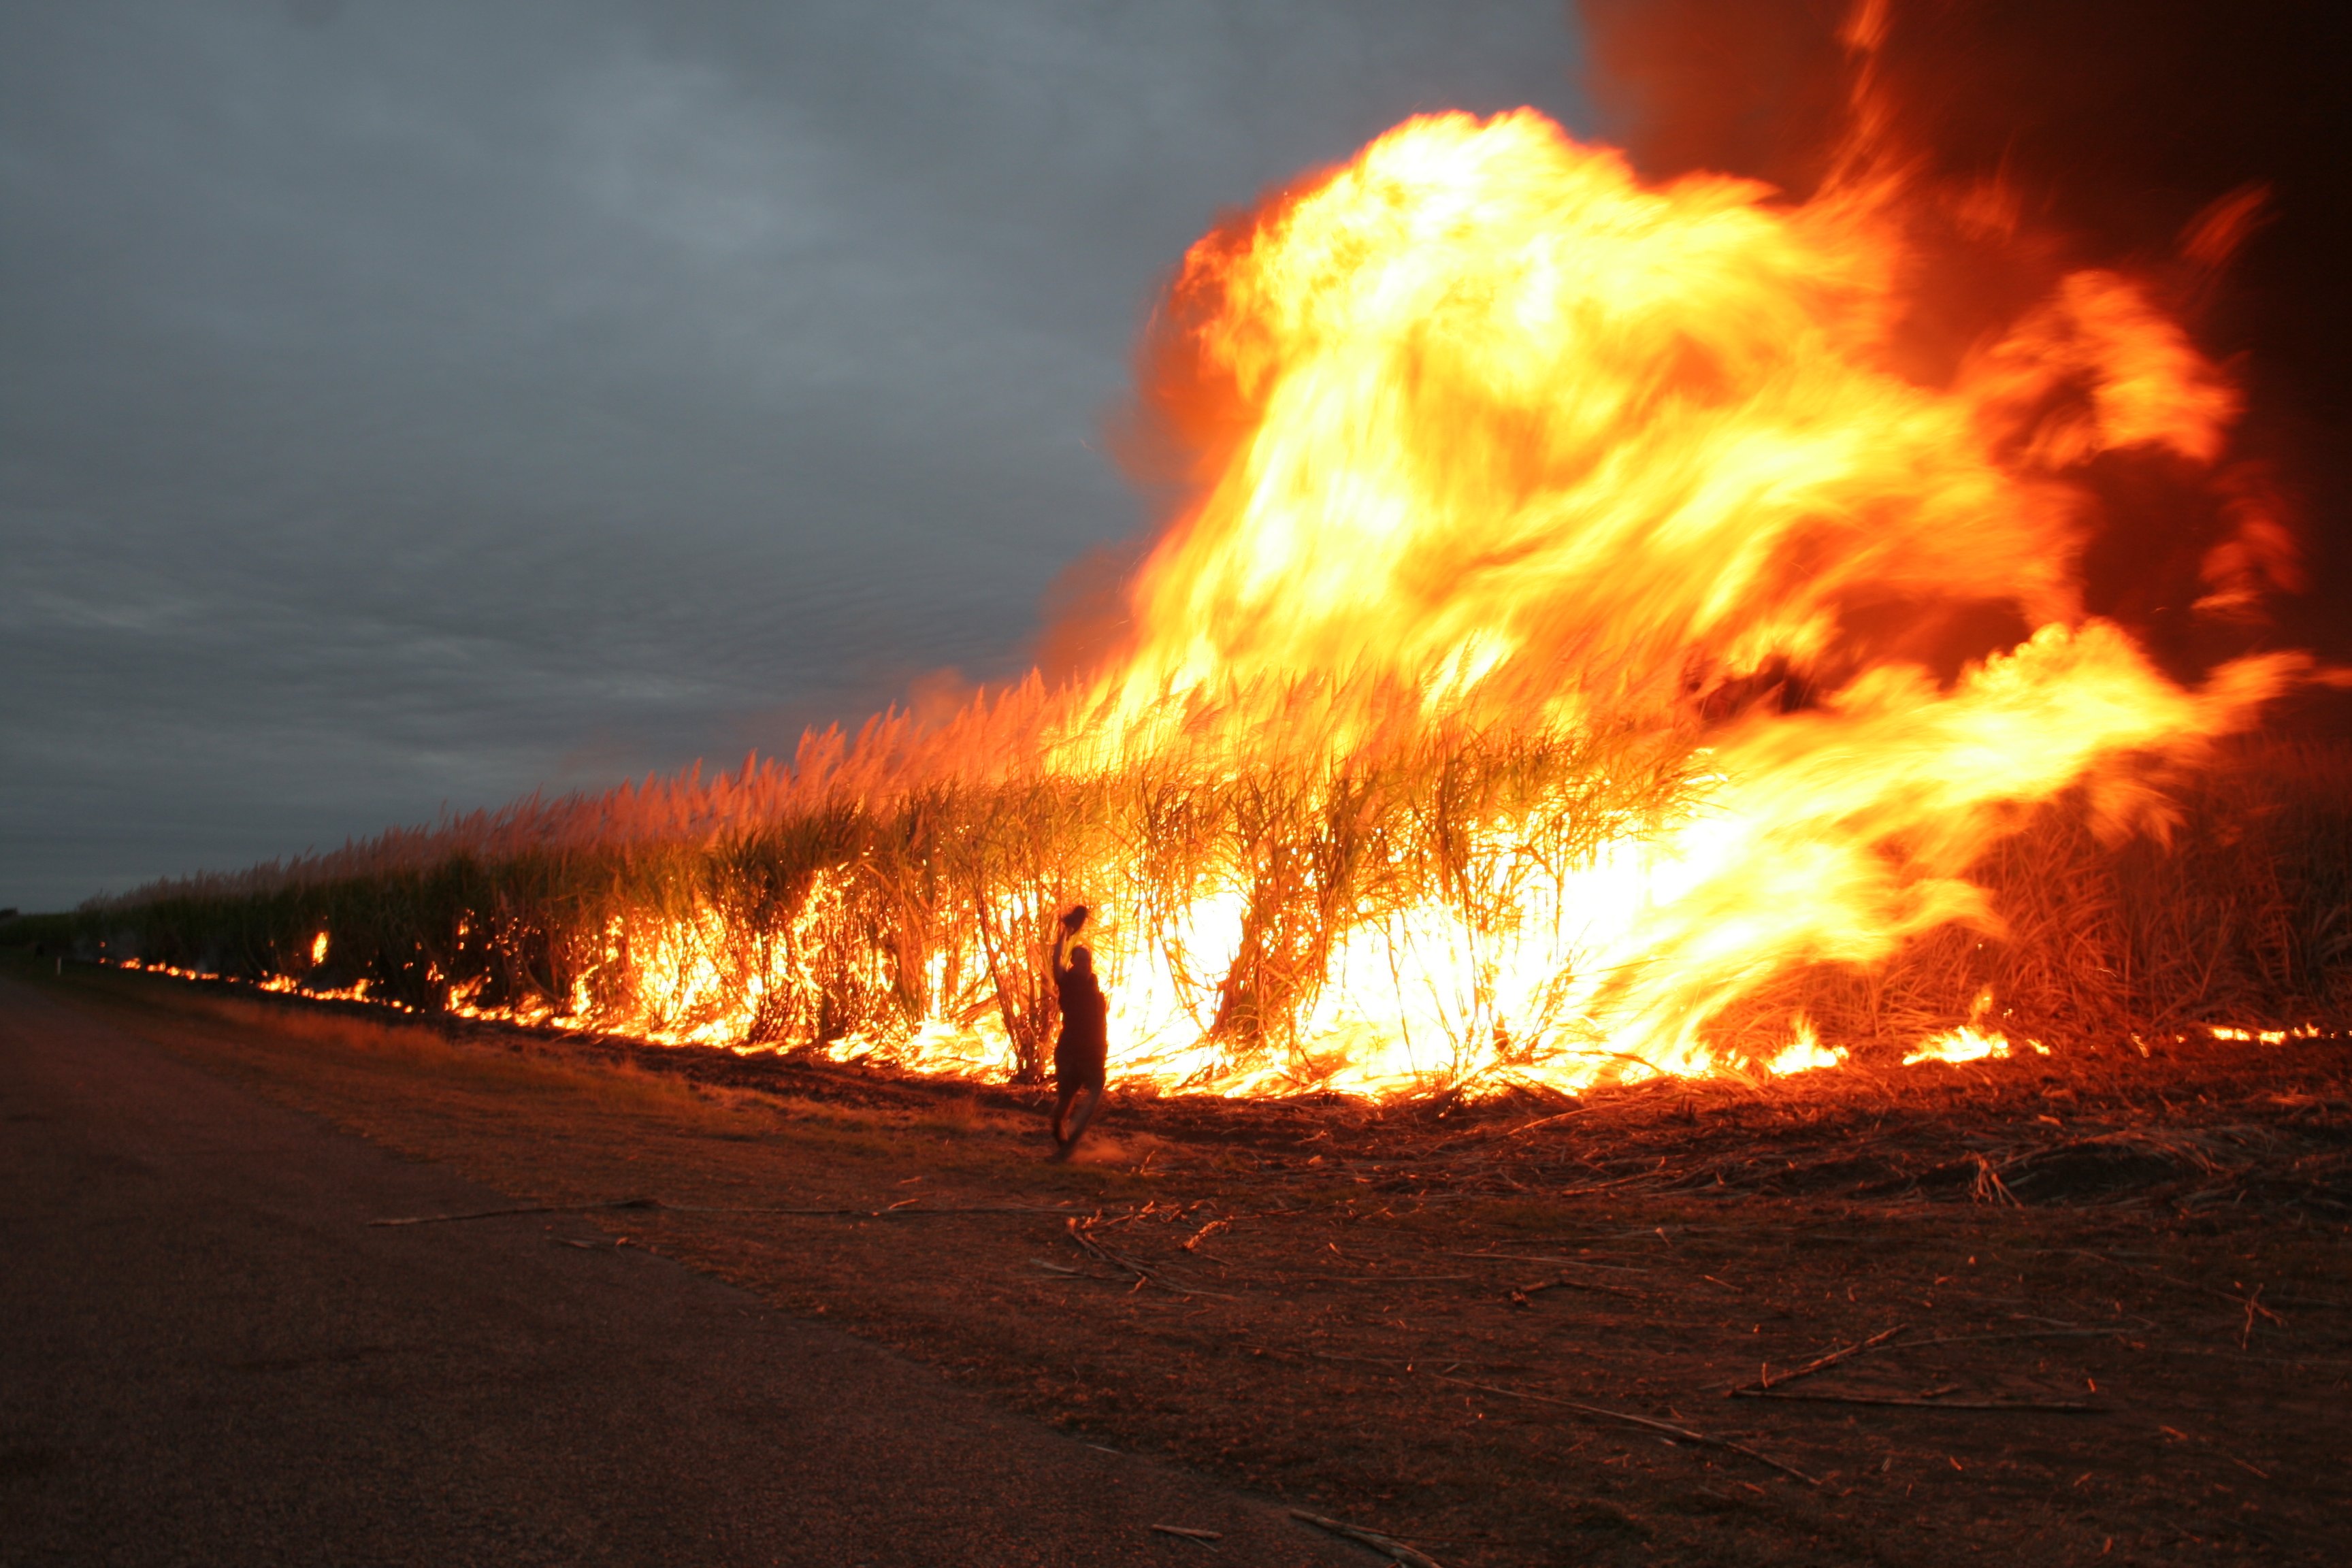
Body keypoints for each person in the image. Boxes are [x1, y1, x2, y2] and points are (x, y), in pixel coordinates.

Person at [1049, 904, 1109, 1160]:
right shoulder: (1068, 982)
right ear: (1074, 962)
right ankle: (1062, 1135)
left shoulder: (1093, 984)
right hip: (1072, 1050)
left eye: (1089, 961)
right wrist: (1066, 932)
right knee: (1067, 1099)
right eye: (1082, 961)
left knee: (1093, 1093)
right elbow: (1056, 959)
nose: (1087, 965)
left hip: (1092, 1052)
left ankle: (1069, 1140)